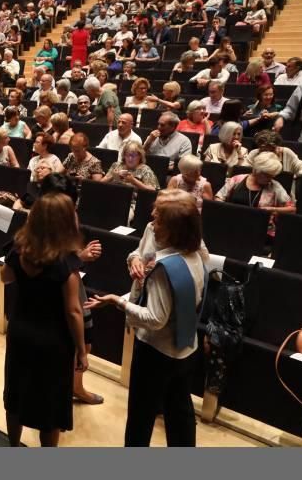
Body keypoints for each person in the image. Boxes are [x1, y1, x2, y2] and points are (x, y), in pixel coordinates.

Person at [86, 190, 207, 446]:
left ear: (173, 227)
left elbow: (154, 319)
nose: (152, 217)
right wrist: (135, 260)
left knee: (141, 416)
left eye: (159, 215)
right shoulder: (187, 246)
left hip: (156, 350)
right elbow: (139, 253)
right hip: (185, 346)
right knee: (180, 412)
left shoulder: (166, 267)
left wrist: (117, 301)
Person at [2, 193, 88, 447]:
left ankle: (13, 448)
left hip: (20, 331)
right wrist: (82, 351)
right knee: (50, 409)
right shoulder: (66, 262)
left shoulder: (19, 249)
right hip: (53, 341)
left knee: (15, 395)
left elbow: (5, 278)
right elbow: (73, 311)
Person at [215, 151, 295, 236]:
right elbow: (218, 198)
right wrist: (226, 212)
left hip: (260, 231)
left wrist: (272, 209)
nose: (270, 179)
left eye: (272, 175)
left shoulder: (275, 186)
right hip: (232, 226)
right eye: (267, 175)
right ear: (257, 171)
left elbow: (292, 210)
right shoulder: (237, 179)